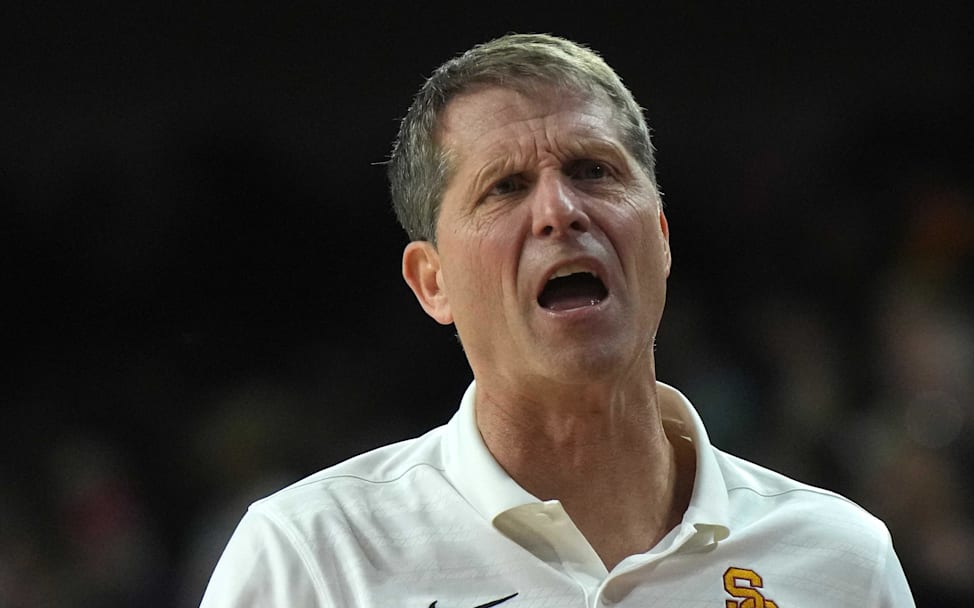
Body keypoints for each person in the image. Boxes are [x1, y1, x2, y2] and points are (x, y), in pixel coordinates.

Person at [200, 33, 915, 607]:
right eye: (505, 187)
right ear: (433, 282)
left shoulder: (840, 561)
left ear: (661, 238)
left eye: (593, 171)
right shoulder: (315, 559)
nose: (561, 210)